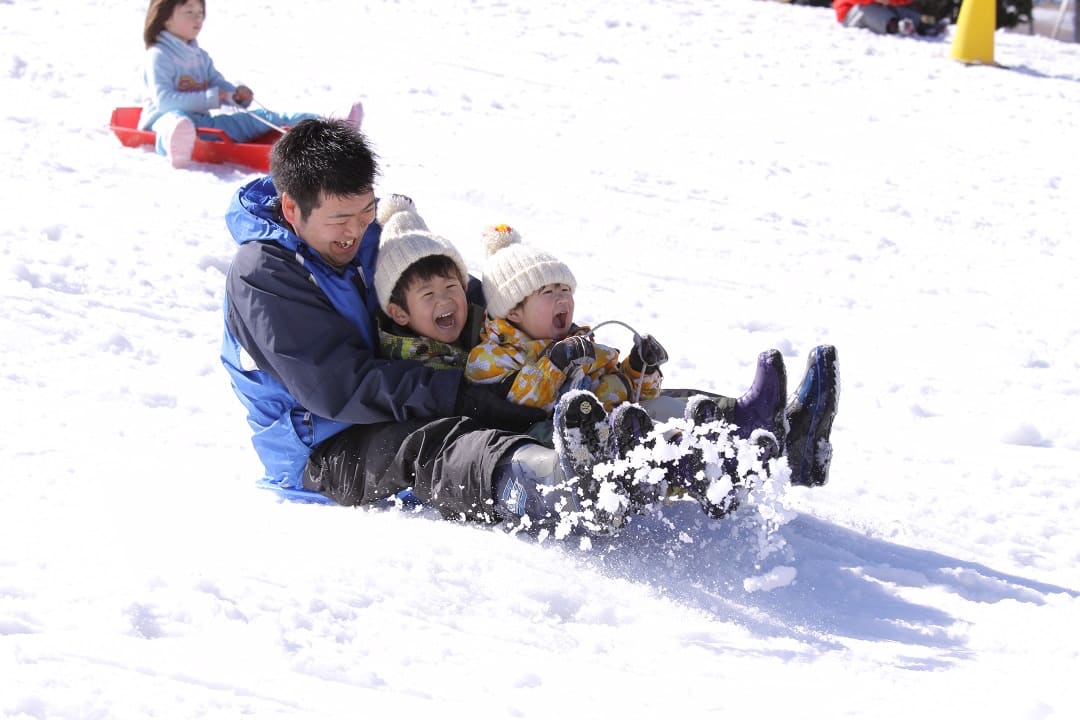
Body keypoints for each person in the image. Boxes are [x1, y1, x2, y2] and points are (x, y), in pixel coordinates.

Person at [221, 118, 839, 539]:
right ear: (290, 207)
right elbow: (335, 387)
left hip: (417, 388)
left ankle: (754, 430)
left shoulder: (374, 239)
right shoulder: (262, 272)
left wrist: (528, 335)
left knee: (570, 386)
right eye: (338, 221)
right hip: (323, 448)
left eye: (363, 212)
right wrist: (466, 393)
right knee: (438, 445)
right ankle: (560, 487)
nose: (354, 232)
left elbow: (453, 294)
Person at [139, 0, 363, 168]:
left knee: (267, 118)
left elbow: (217, 82)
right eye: (189, 12)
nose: (198, 19)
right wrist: (213, 97)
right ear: (165, 17)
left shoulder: (200, 56)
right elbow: (165, 102)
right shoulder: (158, 55)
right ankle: (176, 144)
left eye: (200, 12)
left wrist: (235, 94)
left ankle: (330, 126)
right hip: (162, 120)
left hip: (203, 123)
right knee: (175, 120)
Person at [833, 0, 948, 36]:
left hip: (877, 7)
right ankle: (895, 26)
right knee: (868, 11)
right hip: (850, 12)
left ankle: (922, 25)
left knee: (896, 9)